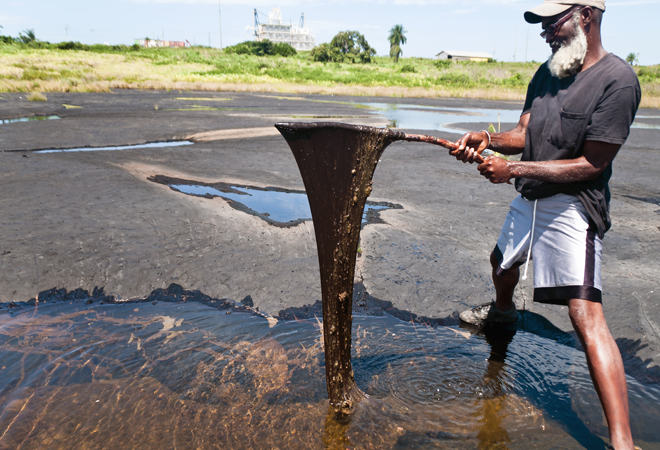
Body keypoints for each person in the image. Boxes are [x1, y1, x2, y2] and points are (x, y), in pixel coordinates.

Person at [450, 1, 641, 449]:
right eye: (540, 25)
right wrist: (490, 140)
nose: (544, 33)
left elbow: (592, 164)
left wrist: (512, 172)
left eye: (551, 23)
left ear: (585, 16)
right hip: (532, 193)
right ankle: (502, 315)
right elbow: (524, 135)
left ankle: (622, 441)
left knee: (584, 313)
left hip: (574, 204)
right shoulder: (547, 73)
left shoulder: (618, 80)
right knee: (501, 265)